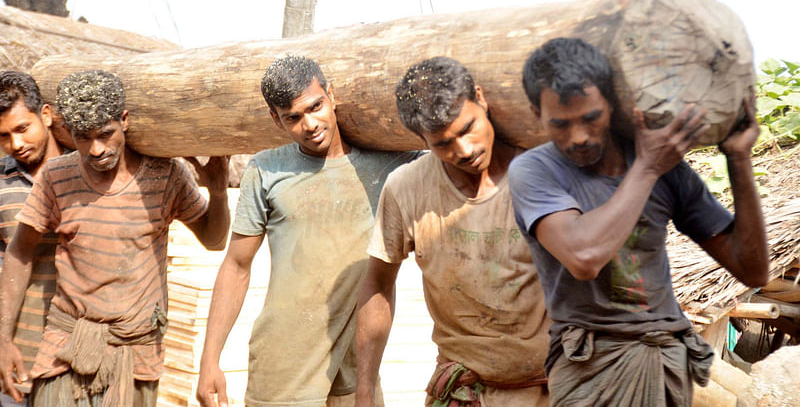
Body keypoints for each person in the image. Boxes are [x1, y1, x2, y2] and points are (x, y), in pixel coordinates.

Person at [507, 37, 769, 406]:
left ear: (613, 105)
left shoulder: (667, 170)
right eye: (560, 124)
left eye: (590, 118)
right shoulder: (535, 171)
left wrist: (739, 160)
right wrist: (647, 168)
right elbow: (584, 257)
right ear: (537, 114)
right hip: (591, 368)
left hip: (665, 364)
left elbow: (753, 270)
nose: (578, 137)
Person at [196, 55, 419, 407]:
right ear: (276, 119)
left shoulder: (391, 164)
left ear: (332, 95)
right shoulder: (266, 169)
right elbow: (237, 265)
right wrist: (210, 360)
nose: (310, 124)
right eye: (293, 118)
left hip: (357, 365)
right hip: (284, 361)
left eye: (315, 107)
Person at [0, 69, 231, 406]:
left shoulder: (165, 176)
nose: (95, 149)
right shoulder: (57, 176)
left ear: (124, 120)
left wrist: (220, 191)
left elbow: (214, 240)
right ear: (68, 132)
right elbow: (19, 253)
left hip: (134, 355)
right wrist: (3, 338)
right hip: (66, 350)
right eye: (83, 138)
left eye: (105, 134)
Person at [356, 56, 551, 406]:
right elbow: (378, 284)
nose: (464, 150)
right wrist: (365, 390)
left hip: (550, 389)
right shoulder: (407, 189)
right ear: (421, 140)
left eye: (467, 128)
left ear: (481, 98)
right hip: (463, 390)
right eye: (443, 143)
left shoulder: (543, 177)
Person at [0, 71, 65, 406]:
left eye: (22, 128)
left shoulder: (86, 172)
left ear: (46, 115)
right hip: (14, 361)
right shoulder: (0, 184)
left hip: (72, 362)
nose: (16, 144)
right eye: (4, 136)